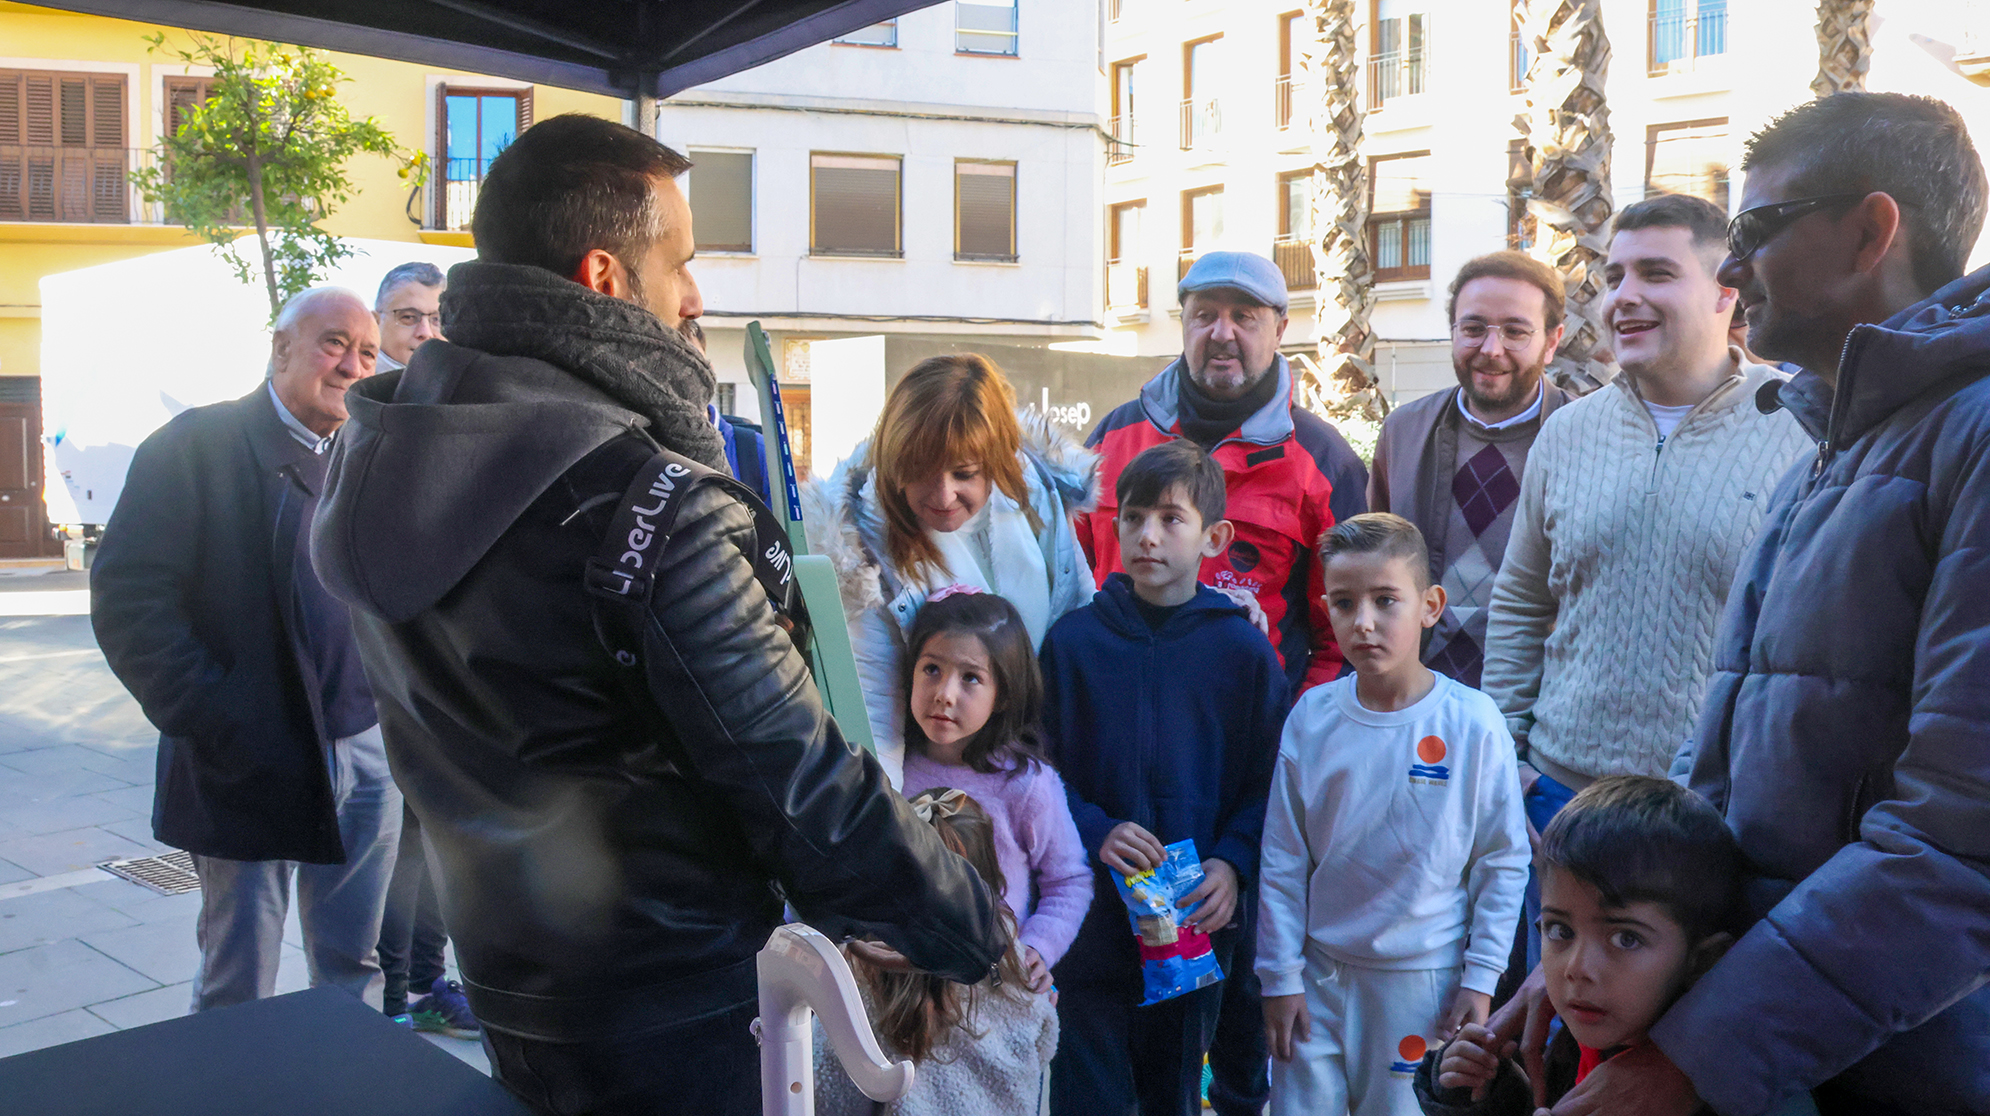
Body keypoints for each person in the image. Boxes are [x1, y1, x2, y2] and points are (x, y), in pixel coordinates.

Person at [311, 114, 1003, 1115]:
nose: (695, 293)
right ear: (604, 276)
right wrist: (969, 922)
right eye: (680, 262)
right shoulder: (645, 500)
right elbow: (791, 772)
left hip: (510, 981)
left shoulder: (375, 454)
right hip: (673, 1004)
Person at [1497, 91, 1990, 1116]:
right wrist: (1606, 959)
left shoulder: (1968, 441)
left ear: (1870, 229)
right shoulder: (1834, 450)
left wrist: (1693, 1059)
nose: (1730, 269)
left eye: (1758, 227)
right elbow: (1728, 769)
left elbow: (1961, 841)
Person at [1481, 193, 1811, 975]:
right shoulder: (1567, 432)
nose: (1623, 297)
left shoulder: (1799, 429)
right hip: (1560, 804)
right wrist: (1511, 759)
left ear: (1728, 288)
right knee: (1558, 1052)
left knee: (1687, 1066)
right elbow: (1523, 601)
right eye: (1614, 275)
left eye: (1656, 274)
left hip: (1712, 820)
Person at [1078, 251, 1366, 1116]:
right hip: (1121, 769)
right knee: (1124, 1008)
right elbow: (1079, 587)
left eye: (1246, 315)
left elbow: (1343, 619)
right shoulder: (1115, 438)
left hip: (1250, 770)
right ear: (1184, 322)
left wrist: (1290, 720)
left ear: (1281, 329)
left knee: (1241, 1000)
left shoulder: (1321, 458)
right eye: (1206, 313)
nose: (1224, 333)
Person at [93, 287, 401, 1013]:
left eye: (366, 351)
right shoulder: (195, 447)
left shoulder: (363, 454)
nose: (352, 366)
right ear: (281, 346)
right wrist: (217, 713)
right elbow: (131, 599)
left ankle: (346, 1087)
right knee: (240, 972)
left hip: (365, 749)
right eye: (334, 343)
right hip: (250, 752)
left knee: (354, 962)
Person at [1039, 438, 1287, 1116]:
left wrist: (1233, 863)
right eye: (1134, 518)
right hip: (1086, 920)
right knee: (1086, 1093)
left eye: (1171, 519)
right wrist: (1095, 829)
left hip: (1190, 923)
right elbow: (1037, 767)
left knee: (1171, 1093)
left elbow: (1269, 781)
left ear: (1215, 537)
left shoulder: (1241, 652)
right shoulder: (1072, 645)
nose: (1148, 537)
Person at [1258, 513, 1527, 1116]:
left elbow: (1503, 862)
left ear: (1430, 605)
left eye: (1386, 601)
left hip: (1424, 985)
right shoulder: (1311, 717)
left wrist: (1479, 980)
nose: (1365, 622)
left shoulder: (1474, 723)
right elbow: (1282, 859)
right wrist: (1279, 976)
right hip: (1316, 978)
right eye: (1345, 603)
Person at [803, 353, 1099, 788]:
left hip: (1038, 765)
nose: (943, 495)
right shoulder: (863, 545)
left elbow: (1080, 623)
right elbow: (876, 710)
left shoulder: (1038, 493)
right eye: (921, 472)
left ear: (997, 461)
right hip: (943, 783)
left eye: (964, 474)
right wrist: (892, 833)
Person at [1413, 777, 1767, 1115]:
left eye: (1625, 938)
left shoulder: (1712, 1092)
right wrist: (1471, 1091)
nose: (1577, 968)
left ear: (1702, 961)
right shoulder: (1577, 1039)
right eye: (1560, 930)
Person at [1368, 251, 1573, 688]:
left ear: (1552, 342)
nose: (1490, 349)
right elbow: (1373, 563)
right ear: (1453, 332)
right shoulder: (1404, 433)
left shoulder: (1590, 440)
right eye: (1474, 329)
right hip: (1417, 696)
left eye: (1515, 331)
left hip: (1537, 702)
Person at [370, 261, 474, 1038]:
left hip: (450, 686)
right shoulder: (359, 421)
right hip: (373, 689)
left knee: (440, 848)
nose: (425, 331)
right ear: (380, 326)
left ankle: (429, 983)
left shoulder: (461, 417)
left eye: (437, 317)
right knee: (386, 857)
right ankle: (390, 994)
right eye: (408, 316)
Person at [813, 789, 1061, 1116]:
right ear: (992, 880)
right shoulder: (1014, 966)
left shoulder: (862, 975)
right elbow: (1042, 1045)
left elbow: (827, 1088)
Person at [898, 591, 1093, 987]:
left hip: (992, 989)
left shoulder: (1025, 784)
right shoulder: (888, 766)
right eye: (932, 668)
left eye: (971, 677)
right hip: (900, 994)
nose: (945, 693)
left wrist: (1038, 947)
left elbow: (1068, 881)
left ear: (1003, 693)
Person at [373, 261, 444, 372]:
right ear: (375, 322)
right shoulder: (349, 381)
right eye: (409, 317)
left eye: (437, 319)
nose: (426, 333)